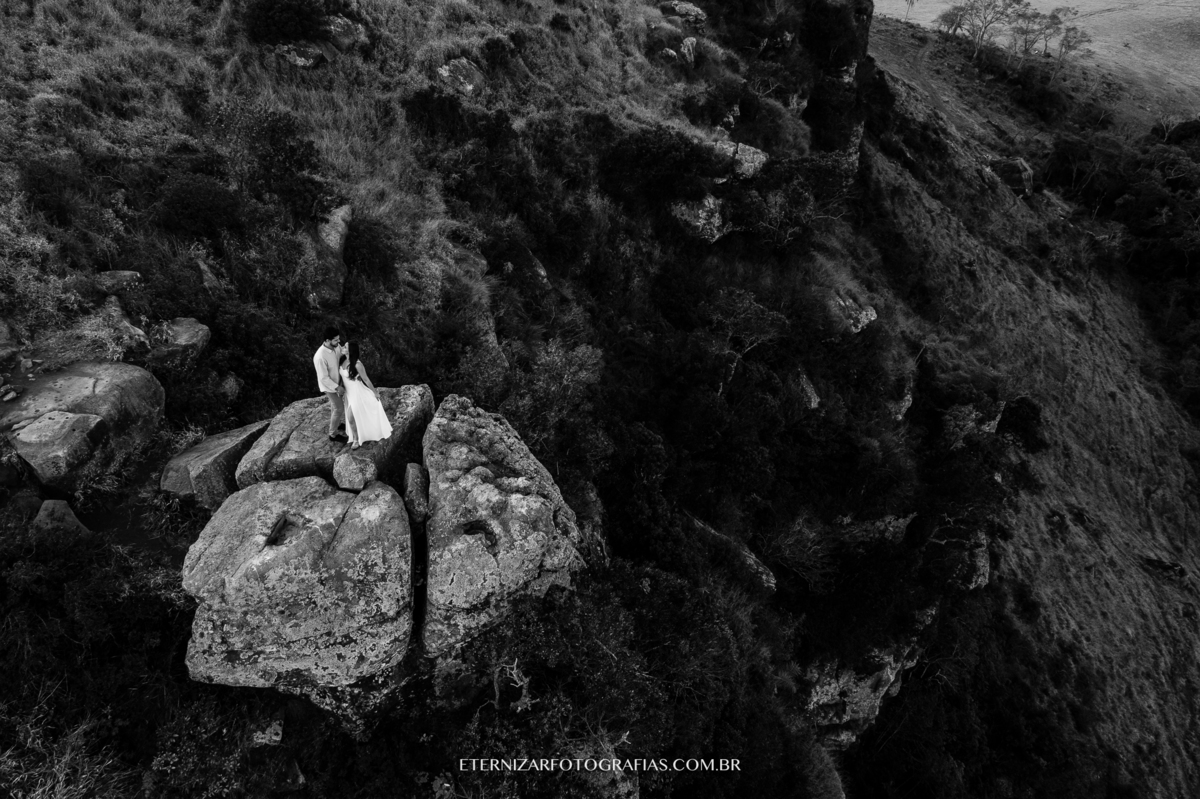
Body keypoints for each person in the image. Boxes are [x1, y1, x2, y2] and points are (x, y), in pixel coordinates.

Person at [339, 341, 392, 449]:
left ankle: (356, 440)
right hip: (349, 393)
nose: (342, 347)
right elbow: (342, 377)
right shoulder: (342, 360)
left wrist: (375, 392)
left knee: (350, 417)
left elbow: (366, 379)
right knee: (352, 417)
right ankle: (357, 435)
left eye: (345, 347)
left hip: (357, 393)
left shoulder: (357, 364)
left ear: (350, 350)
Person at [313, 326, 347, 443]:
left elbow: (342, 354)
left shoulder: (336, 346)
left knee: (335, 406)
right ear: (327, 340)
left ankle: (337, 424)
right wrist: (337, 387)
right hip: (330, 386)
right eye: (336, 340)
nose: (339, 342)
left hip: (338, 381)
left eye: (338, 339)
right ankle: (332, 434)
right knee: (339, 408)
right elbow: (323, 378)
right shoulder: (320, 356)